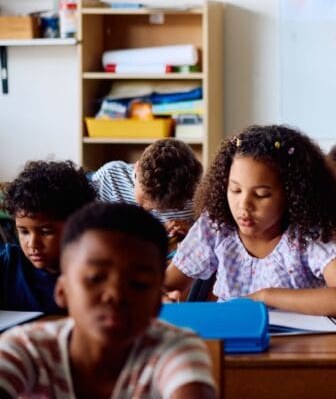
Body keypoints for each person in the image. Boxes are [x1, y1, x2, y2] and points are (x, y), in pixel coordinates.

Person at [0, 202, 216, 399]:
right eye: (95, 278)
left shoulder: (175, 348)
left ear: (158, 300)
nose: (115, 294)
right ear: (62, 291)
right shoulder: (26, 349)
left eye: (138, 283)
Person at [164, 125, 336, 318]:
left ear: (293, 196)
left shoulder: (306, 235)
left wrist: (265, 296)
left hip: (299, 350)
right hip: (231, 347)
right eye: (235, 190)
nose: (243, 205)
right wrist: (160, 296)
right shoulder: (216, 227)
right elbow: (166, 284)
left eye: (261, 195)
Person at [0, 160, 95, 313]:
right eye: (24, 232)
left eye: (45, 232)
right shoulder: (8, 264)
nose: (33, 243)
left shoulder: (93, 273)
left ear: (78, 226)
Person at [92, 138, 202, 238]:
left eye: (160, 208)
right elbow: (89, 227)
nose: (147, 208)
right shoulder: (109, 177)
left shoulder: (195, 197)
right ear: (137, 167)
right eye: (144, 198)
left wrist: (193, 232)